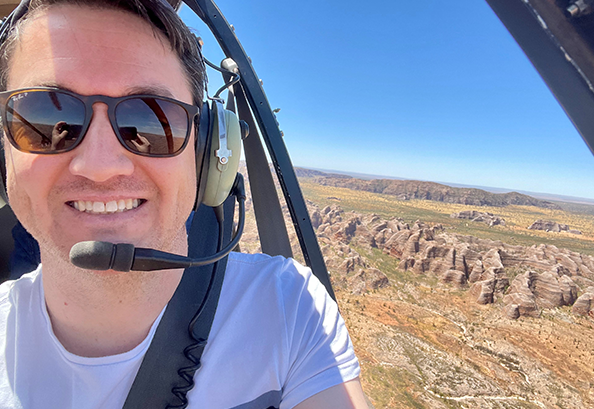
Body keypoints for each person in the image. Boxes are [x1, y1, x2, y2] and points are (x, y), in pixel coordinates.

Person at [0, 0, 369, 408]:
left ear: (207, 151)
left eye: (150, 121)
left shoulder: (289, 310)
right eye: (46, 124)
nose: (100, 166)